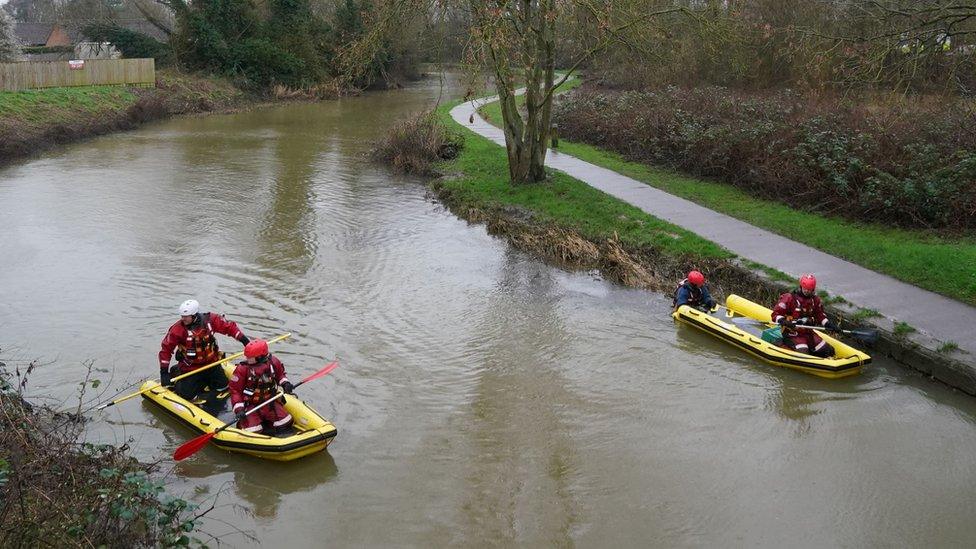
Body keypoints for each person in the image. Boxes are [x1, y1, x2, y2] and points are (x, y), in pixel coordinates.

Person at [158, 299, 250, 402]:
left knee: (222, 386)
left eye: (186, 317)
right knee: (186, 395)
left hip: (211, 364)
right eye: (182, 316)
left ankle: (204, 381)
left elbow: (229, 327)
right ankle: (178, 373)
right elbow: (166, 349)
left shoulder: (210, 320)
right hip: (191, 368)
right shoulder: (177, 330)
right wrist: (164, 372)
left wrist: (245, 341)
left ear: (194, 315)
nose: (183, 319)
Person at [228, 339, 295, 434]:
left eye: (250, 357)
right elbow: (235, 390)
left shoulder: (273, 362)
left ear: (260, 357)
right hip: (250, 405)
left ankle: (269, 425)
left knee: (286, 422)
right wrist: (239, 410)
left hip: (269, 402)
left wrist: (286, 384)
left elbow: (280, 375)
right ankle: (253, 424)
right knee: (252, 431)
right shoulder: (242, 369)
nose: (247, 358)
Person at [771, 274, 840, 358]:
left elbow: (820, 315)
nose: (807, 291)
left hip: (808, 333)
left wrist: (829, 324)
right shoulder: (789, 298)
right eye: (805, 289)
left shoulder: (815, 300)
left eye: (809, 290)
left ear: (813, 289)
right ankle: (782, 344)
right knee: (804, 355)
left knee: (829, 351)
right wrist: (784, 321)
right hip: (792, 333)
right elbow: (775, 314)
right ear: (801, 286)